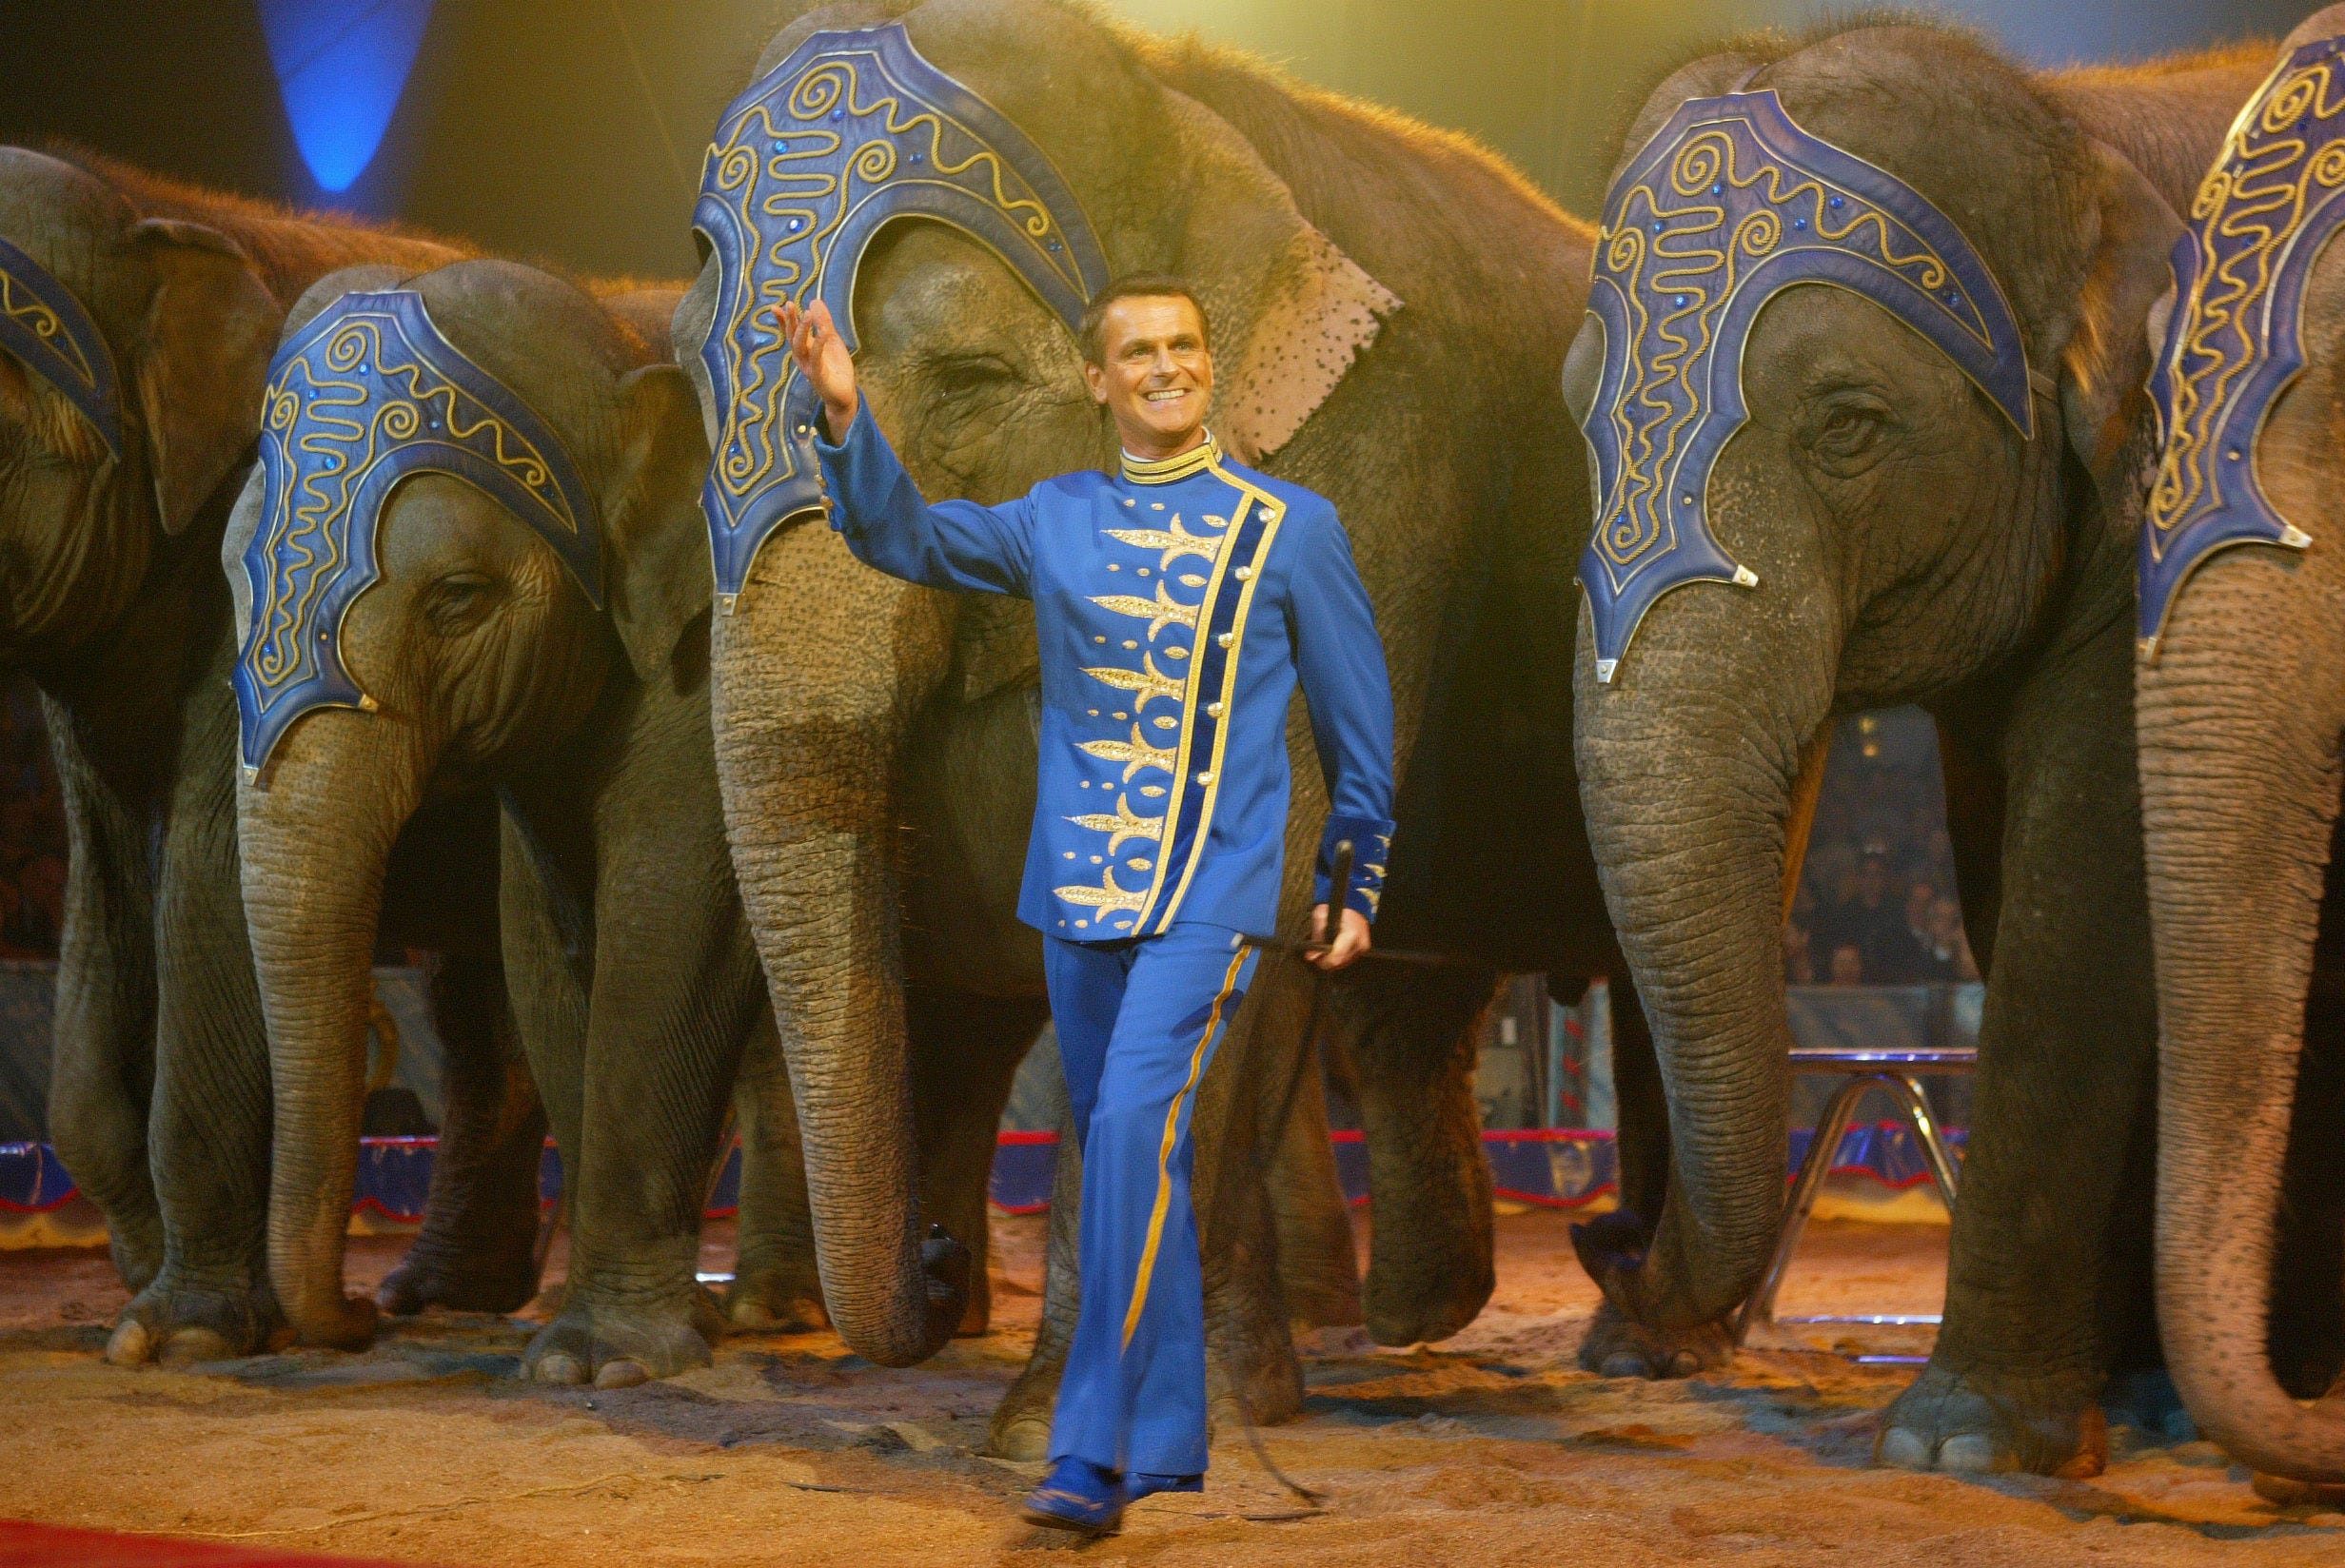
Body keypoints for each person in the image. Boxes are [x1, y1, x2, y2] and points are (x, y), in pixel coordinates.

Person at [775, 277, 1395, 1537]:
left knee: (1123, 1139)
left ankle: (1092, 1449)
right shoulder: (1055, 519)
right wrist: (845, 420)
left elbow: (1357, 719)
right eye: (1141, 351)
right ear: (1097, 381)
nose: (1168, 366)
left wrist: (1355, 874)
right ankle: (1157, 1434)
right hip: (1076, 898)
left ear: (1208, 367)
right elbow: (910, 542)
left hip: (1208, 901)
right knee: (1131, 1153)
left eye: (1185, 344)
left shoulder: (1293, 528)